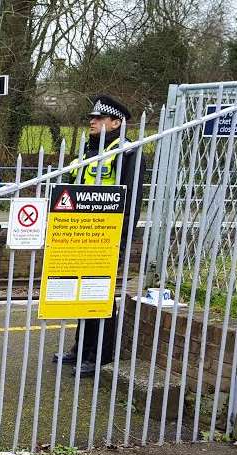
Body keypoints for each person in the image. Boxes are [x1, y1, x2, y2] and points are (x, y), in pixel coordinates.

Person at [54, 95, 146, 377]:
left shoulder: (128, 153)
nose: (92, 122)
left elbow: (132, 202)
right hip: (81, 234)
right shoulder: (86, 152)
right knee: (83, 293)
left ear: (116, 122)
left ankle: (101, 356)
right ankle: (81, 348)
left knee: (100, 295)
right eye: (91, 118)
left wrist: (120, 242)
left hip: (107, 237)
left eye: (99, 118)